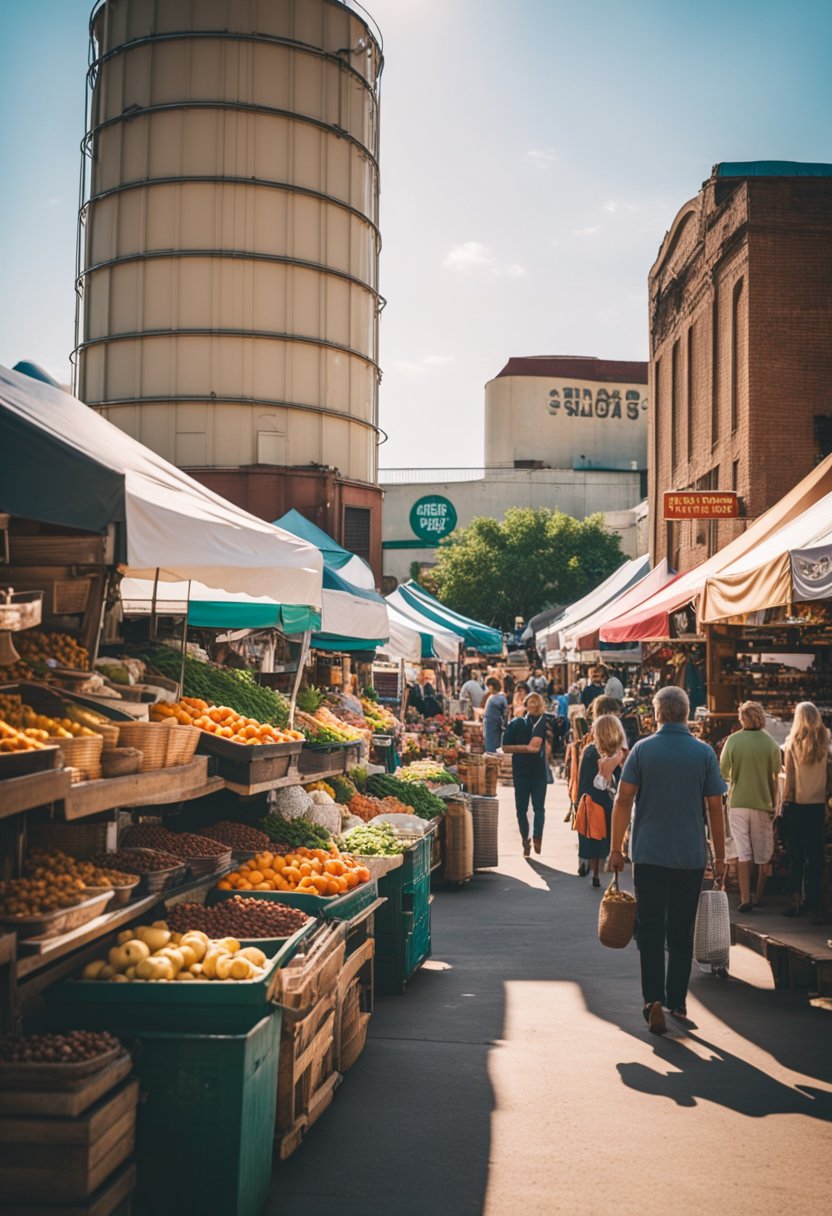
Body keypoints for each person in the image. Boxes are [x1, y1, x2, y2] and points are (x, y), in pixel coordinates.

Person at [609, 686, 727, 1036]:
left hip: (649, 854)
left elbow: (623, 799)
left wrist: (616, 848)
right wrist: (720, 857)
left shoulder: (643, 750)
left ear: (657, 714)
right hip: (689, 856)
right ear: (686, 714)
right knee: (680, 932)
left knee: (649, 928)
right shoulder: (704, 753)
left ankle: (652, 1001)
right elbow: (715, 808)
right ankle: (676, 1001)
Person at [719, 701, 782, 913]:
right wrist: (775, 803)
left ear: (742, 719)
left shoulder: (733, 741)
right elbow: (776, 778)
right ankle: (758, 896)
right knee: (763, 852)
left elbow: (724, 772)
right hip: (763, 803)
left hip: (737, 804)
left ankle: (745, 898)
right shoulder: (771, 744)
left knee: (743, 852)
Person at [780, 702, 831, 924]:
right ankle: (815, 903)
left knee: (796, 856)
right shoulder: (825, 743)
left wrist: (784, 805)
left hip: (797, 806)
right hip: (818, 806)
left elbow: (789, 781)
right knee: (816, 857)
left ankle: (796, 902)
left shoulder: (792, 745)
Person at [576, 713, 628, 886]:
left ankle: (595, 874)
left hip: (595, 804)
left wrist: (578, 804)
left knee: (595, 842)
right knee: (615, 842)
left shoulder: (590, 752)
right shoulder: (622, 754)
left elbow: (583, 782)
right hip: (615, 804)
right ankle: (614, 877)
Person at [502, 692, 549, 856]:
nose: (535, 705)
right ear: (526, 705)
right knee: (521, 810)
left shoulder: (545, 723)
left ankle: (537, 836)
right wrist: (526, 749)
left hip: (538, 773)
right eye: (532, 702)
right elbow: (505, 747)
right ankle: (525, 841)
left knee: (539, 809)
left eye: (538, 702)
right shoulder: (516, 723)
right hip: (521, 773)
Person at [482, 677, 509, 753]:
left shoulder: (499, 697)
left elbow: (506, 712)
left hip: (493, 725)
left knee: (492, 744)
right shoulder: (496, 697)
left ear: (491, 687)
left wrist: (504, 725)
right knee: (490, 742)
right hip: (490, 724)